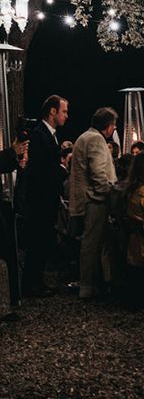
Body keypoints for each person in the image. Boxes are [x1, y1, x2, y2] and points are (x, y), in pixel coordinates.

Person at [18, 94, 69, 296]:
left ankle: (35, 281)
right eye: (64, 111)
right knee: (38, 241)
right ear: (52, 111)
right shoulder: (40, 135)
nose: (67, 116)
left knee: (41, 241)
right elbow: (42, 169)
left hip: (45, 198)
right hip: (40, 199)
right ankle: (31, 284)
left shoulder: (49, 134)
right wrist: (63, 172)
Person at [69, 107, 118, 299]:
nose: (114, 129)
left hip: (86, 199)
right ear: (108, 125)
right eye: (114, 125)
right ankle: (88, 286)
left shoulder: (84, 137)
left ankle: (92, 284)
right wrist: (107, 193)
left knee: (90, 244)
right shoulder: (96, 140)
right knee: (92, 244)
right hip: (94, 201)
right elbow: (98, 172)